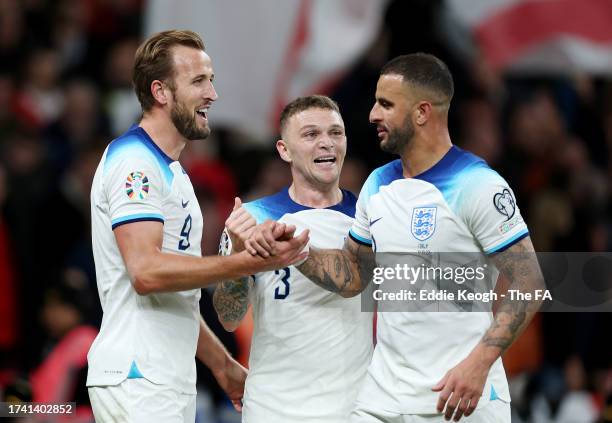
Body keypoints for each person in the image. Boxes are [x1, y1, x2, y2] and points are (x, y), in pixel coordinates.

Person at [246, 54, 545, 422]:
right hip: (384, 398)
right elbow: (354, 273)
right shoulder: (377, 184)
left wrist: (479, 364)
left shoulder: (478, 185)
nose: (372, 114)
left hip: (459, 396)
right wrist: (297, 251)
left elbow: (529, 281)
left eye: (386, 104)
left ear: (421, 112)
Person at [86, 30, 308, 422]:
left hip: (165, 378)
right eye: (198, 81)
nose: (212, 94)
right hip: (139, 376)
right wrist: (249, 263)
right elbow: (146, 272)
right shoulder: (134, 162)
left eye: (212, 80)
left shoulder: (176, 174)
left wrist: (221, 365)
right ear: (161, 92)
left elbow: (176, 295)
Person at [213, 95, 373, 422]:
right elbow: (229, 316)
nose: (326, 143)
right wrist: (240, 260)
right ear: (284, 150)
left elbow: (355, 282)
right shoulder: (251, 218)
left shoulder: (370, 216)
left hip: (353, 407)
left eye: (335, 133)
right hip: (272, 409)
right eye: (311, 135)